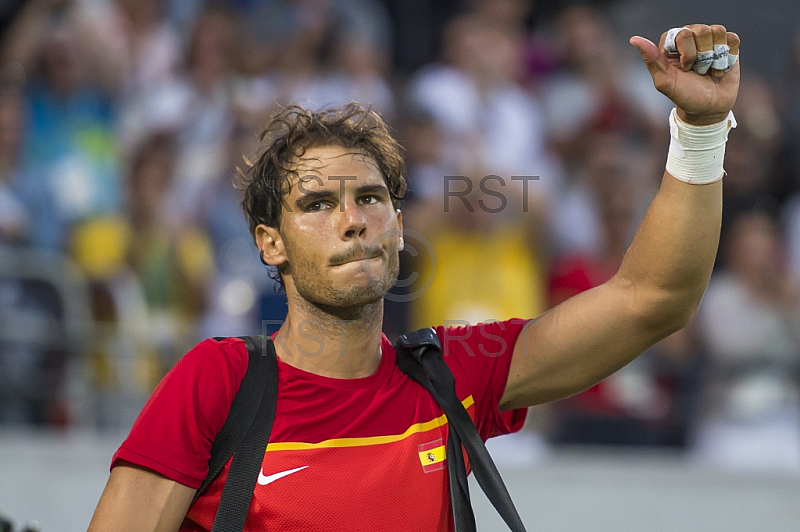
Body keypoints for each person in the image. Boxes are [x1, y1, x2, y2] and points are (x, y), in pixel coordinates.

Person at [88, 23, 741, 531]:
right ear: (270, 243)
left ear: (399, 226)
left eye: (370, 199)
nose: (352, 221)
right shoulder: (220, 380)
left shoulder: (449, 373)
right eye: (318, 205)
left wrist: (702, 130)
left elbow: (654, 298)